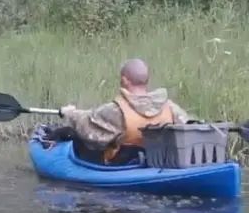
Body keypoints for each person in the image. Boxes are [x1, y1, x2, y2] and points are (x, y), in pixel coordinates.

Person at [45, 58, 191, 165]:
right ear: (147, 79)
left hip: (124, 164)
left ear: (124, 80)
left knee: (71, 133)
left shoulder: (115, 110)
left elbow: (87, 124)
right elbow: (190, 126)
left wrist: (69, 113)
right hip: (158, 161)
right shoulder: (170, 106)